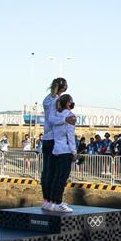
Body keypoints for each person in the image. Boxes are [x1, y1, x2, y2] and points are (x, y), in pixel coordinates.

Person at [41, 78, 68, 211]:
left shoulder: (46, 99)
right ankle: (53, 201)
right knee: (55, 171)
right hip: (54, 138)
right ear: (63, 88)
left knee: (46, 171)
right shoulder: (56, 101)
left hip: (46, 137)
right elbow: (53, 119)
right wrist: (66, 119)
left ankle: (46, 200)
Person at [48, 94, 77, 213]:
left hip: (56, 149)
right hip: (66, 150)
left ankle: (53, 202)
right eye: (71, 101)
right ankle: (59, 202)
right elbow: (70, 136)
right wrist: (74, 152)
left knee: (56, 177)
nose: (73, 103)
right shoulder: (70, 116)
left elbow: (51, 120)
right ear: (68, 103)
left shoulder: (56, 116)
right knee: (62, 178)